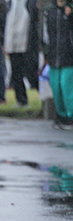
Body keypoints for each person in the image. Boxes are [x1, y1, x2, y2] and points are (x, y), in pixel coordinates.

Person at [43, 0, 73, 130]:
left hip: (69, 57)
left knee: (66, 86)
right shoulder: (49, 10)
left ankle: (70, 116)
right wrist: (45, 53)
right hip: (53, 56)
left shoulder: (70, 10)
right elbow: (44, 35)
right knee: (56, 87)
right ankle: (60, 116)